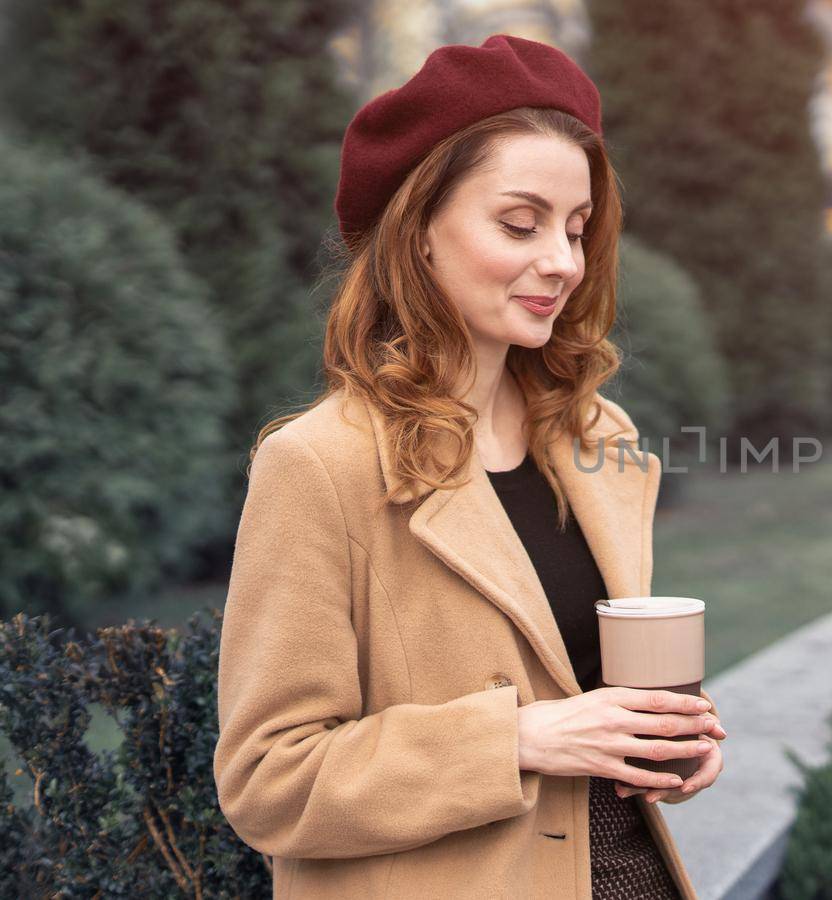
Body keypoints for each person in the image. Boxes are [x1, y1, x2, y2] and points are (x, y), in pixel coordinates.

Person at [212, 34, 725, 899]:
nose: (561, 262)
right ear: (418, 234)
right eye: (519, 224)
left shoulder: (598, 439)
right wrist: (519, 740)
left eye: (576, 228)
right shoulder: (319, 466)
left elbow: (588, 694)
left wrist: (668, 739)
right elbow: (269, 781)